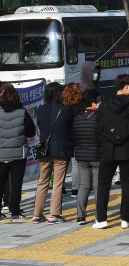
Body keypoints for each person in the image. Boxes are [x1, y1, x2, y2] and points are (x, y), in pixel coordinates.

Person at [93, 74, 129, 229]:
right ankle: (125, 219)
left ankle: (102, 219)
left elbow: (98, 129)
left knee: (103, 184)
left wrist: (100, 146)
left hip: (108, 150)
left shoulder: (103, 105)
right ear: (126, 87)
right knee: (128, 184)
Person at [33, 82, 75, 224]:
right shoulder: (66, 109)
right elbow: (70, 128)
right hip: (61, 150)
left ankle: (37, 214)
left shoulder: (40, 109)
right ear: (59, 94)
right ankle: (54, 214)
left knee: (42, 182)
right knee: (58, 182)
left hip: (45, 150)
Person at [0, 84, 36, 221]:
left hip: (1, 153)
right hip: (18, 154)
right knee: (16, 183)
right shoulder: (23, 112)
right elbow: (31, 132)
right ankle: (14, 212)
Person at [72, 89, 102, 225]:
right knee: (97, 187)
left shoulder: (77, 118)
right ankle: (98, 215)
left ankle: (80, 216)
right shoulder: (97, 117)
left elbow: (74, 137)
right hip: (96, 156)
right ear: (93, 102)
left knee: (83, 186)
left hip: (81, 157)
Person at [62, 83, 84, 198]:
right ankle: (75, 190)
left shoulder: (63, 107)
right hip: (77, 137)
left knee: (62, 164)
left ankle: (61, 188)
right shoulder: (82, 106)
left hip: (65, 138)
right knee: (76, 164)